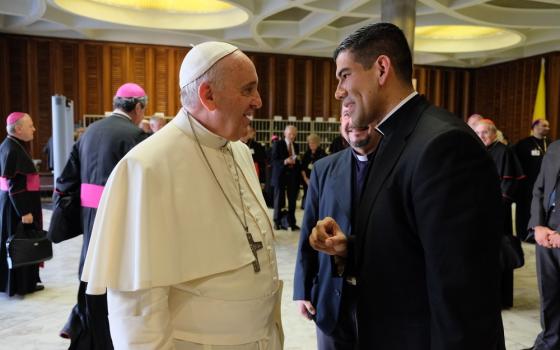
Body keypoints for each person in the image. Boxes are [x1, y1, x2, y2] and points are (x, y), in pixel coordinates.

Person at [309, 23, 505, 349]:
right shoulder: (393, 138)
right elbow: (411, 250)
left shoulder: (444, 145)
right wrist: (350, 248)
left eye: (344, 75)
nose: (338, 92)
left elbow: (461, 294)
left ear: (382, 68)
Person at [80, 41, 283, 349]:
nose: (258, 100)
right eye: (248, 90)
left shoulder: (240, 152)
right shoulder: (145, 167)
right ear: (208, 95)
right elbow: (136, 311)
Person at [55, 82, 149, 349]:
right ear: (139, 107)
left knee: (90, 271)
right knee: (114, 278)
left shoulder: (89, 131)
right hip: (119, 216)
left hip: (89, 214)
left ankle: (85, 328)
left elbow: (67, 178)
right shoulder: (136, 135)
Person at [294, 111, 381, 350]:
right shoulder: (324, 169)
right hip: (331, 297)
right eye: (345, 114)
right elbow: (308, 233)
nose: (353, 121)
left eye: (361, 112)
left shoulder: (400, 166)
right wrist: (303, 288)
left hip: (383, 301)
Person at [475, 118, 524, 309]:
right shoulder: (481, 151)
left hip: (497, 214)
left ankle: (501, 299)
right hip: (481, 212)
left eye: (485, 132)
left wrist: (493, 206)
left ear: (494, 133)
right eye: (478, 133)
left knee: (500, 254)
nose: (481, 136)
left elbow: (510, 184)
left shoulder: (503, 151)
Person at [0, 112, 43, 296]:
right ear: (18, 129)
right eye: (30, 125)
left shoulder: (10, 145)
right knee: (21, 244)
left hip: (12, 206)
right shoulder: (13, 149)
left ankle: (24, 282)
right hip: (18, 208)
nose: (34, 129)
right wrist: (24, 212)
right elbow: (14, 185)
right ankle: (22, 285)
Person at [524, 140, 560, 350]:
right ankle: (549, 342)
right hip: (546, 234)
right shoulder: (555, 147)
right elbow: (538, 189)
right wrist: (537, 225)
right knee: (549, 294)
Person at [514, 119, 550, 241]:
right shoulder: (523, 144)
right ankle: (523, 234)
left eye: (548, 126)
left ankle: (540, 235)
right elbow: (516, 165)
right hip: (526, 185)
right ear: (534, 127)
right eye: (544, 125)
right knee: (525, 210)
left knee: (541, 210)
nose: (547, 128)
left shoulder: (550, 144)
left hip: (545, 185)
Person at [271, 125, 301, 231]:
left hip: (292, 177)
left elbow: (297, 162)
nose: (292, 136)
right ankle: (277, 222)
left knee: (292, 201)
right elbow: (273, 161)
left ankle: (291, 223)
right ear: (285, 134)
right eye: (290, 134)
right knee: (278, 200)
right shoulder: (278, 144)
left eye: (294, 134)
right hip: (280, 176)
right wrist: (285, 161)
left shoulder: (296, 146)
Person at [300, 133, 326, 209]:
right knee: (306, 194)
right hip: (307, 180)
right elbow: (302, 168)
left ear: (317, 143)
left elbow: (323, 169)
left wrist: (315, 180)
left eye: (313, 143)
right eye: (310, 143)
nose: (311, 144)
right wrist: (306, 179)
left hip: (318, 180)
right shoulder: (307, 153)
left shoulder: (322, 153)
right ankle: (305, 206)